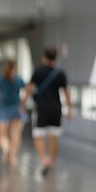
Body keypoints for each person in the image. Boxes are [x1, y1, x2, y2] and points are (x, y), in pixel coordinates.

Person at [21, 46, 73, 176]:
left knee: (39, 135)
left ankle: (44, 159)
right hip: (56, 108)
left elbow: (29, 88)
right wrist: (70, 108)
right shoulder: (60, 73)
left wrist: (23, 103)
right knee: (54, 135)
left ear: (44, 58)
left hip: (41, 108)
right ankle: (52, 161)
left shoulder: (38, 72)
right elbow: (66, 92)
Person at [0, 60, 26, 166]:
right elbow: (28, 89)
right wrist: (23, 103)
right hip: (17, 108)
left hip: (4, 109)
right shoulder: (18, 79)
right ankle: (13, 156)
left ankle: (6, 148)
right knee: (15, 134)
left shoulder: (1, 81)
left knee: (2, 135)